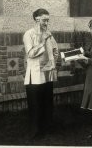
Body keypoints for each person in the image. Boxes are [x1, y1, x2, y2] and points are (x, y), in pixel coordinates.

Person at [23, 8, 58, 139]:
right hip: (35, 75)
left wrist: (54, 58)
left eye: (47, 20)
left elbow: (55, 49)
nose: (46, 23)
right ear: (36, 19)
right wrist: (42, 42)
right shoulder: (29, 34)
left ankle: (47, 128)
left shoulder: (48, 33)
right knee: (35, 104)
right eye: (44, 20)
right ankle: (35, 131)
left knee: (47, 102)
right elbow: (31, 53)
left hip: (47, 73)